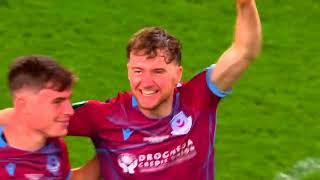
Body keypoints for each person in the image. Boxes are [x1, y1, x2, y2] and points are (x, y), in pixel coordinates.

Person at [0, 0, 261, 179]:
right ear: (128, 71)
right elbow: (34, 113)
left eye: (158, 72)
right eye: (138, 71)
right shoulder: (103, 116)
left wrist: (245, 4)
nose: (146, 82)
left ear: (177, 74)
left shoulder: (199, 98)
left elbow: (244, 51)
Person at [0, 55, 99, 180]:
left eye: (68, 100)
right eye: (57, 101)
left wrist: (109, 151)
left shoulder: (55, 147)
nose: (70, 111)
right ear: (24, 105)